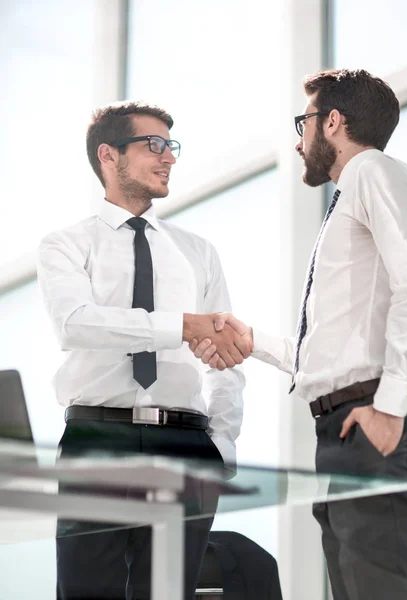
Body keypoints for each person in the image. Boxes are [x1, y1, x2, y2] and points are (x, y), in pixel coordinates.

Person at [189, 69, 407, 599]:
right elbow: (335, 352)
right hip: (343, 428)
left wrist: (391, 408)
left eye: (303, 121)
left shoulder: (375, 172)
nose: (299, 137)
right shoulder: (351, 197)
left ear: (332, 121)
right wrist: (251, 340)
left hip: (375, 421)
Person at [36, 100, 251, 600]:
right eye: (153, 145)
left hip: (186, 447)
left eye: (170, 146)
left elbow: (227, 357)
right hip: (98, 441)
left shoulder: (199, 253)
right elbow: (77, 324)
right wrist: (180, 326)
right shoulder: (66, 245)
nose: (169, 157)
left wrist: (222, 447)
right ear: (108, 155)